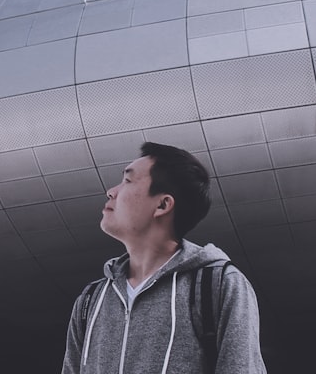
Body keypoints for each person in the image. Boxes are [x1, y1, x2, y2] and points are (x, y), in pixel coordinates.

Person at [61, 142, 267, 374]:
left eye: (128, 181)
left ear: (162, 204)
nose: (112, 191)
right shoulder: (91, 300)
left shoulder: (218, 285)